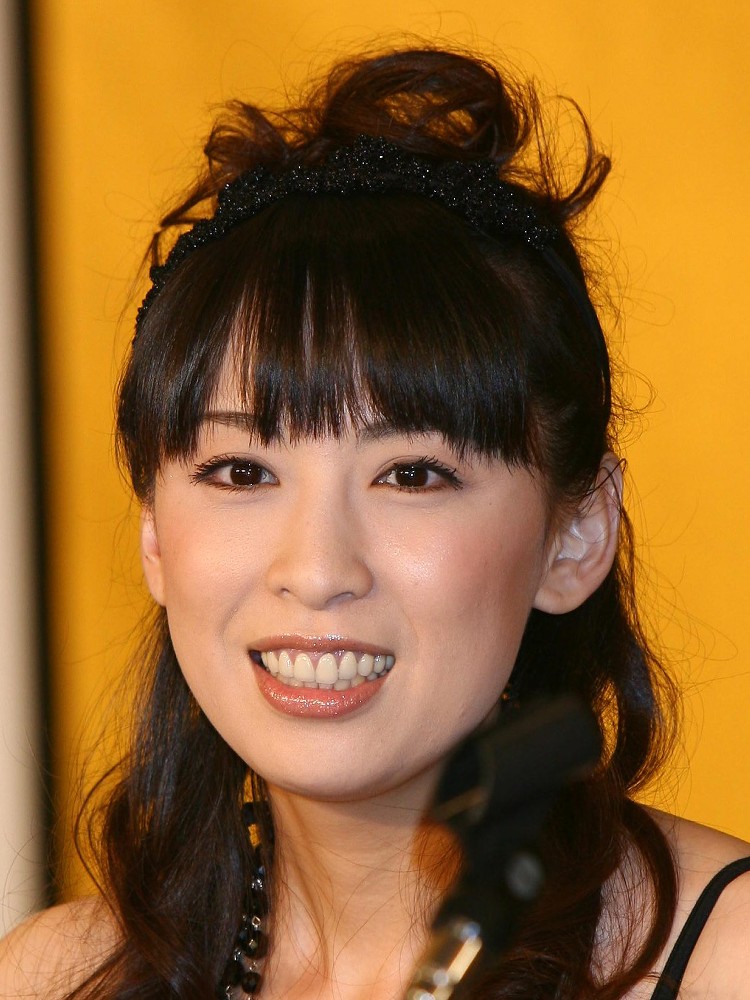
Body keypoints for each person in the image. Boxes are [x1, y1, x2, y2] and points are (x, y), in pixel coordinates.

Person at [2, 44, 750, 1000]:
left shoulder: (723, 960)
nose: (316, 570)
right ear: (154, 533)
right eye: (242, 471)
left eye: (411, 474)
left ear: (576, 536)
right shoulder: (55, 977)